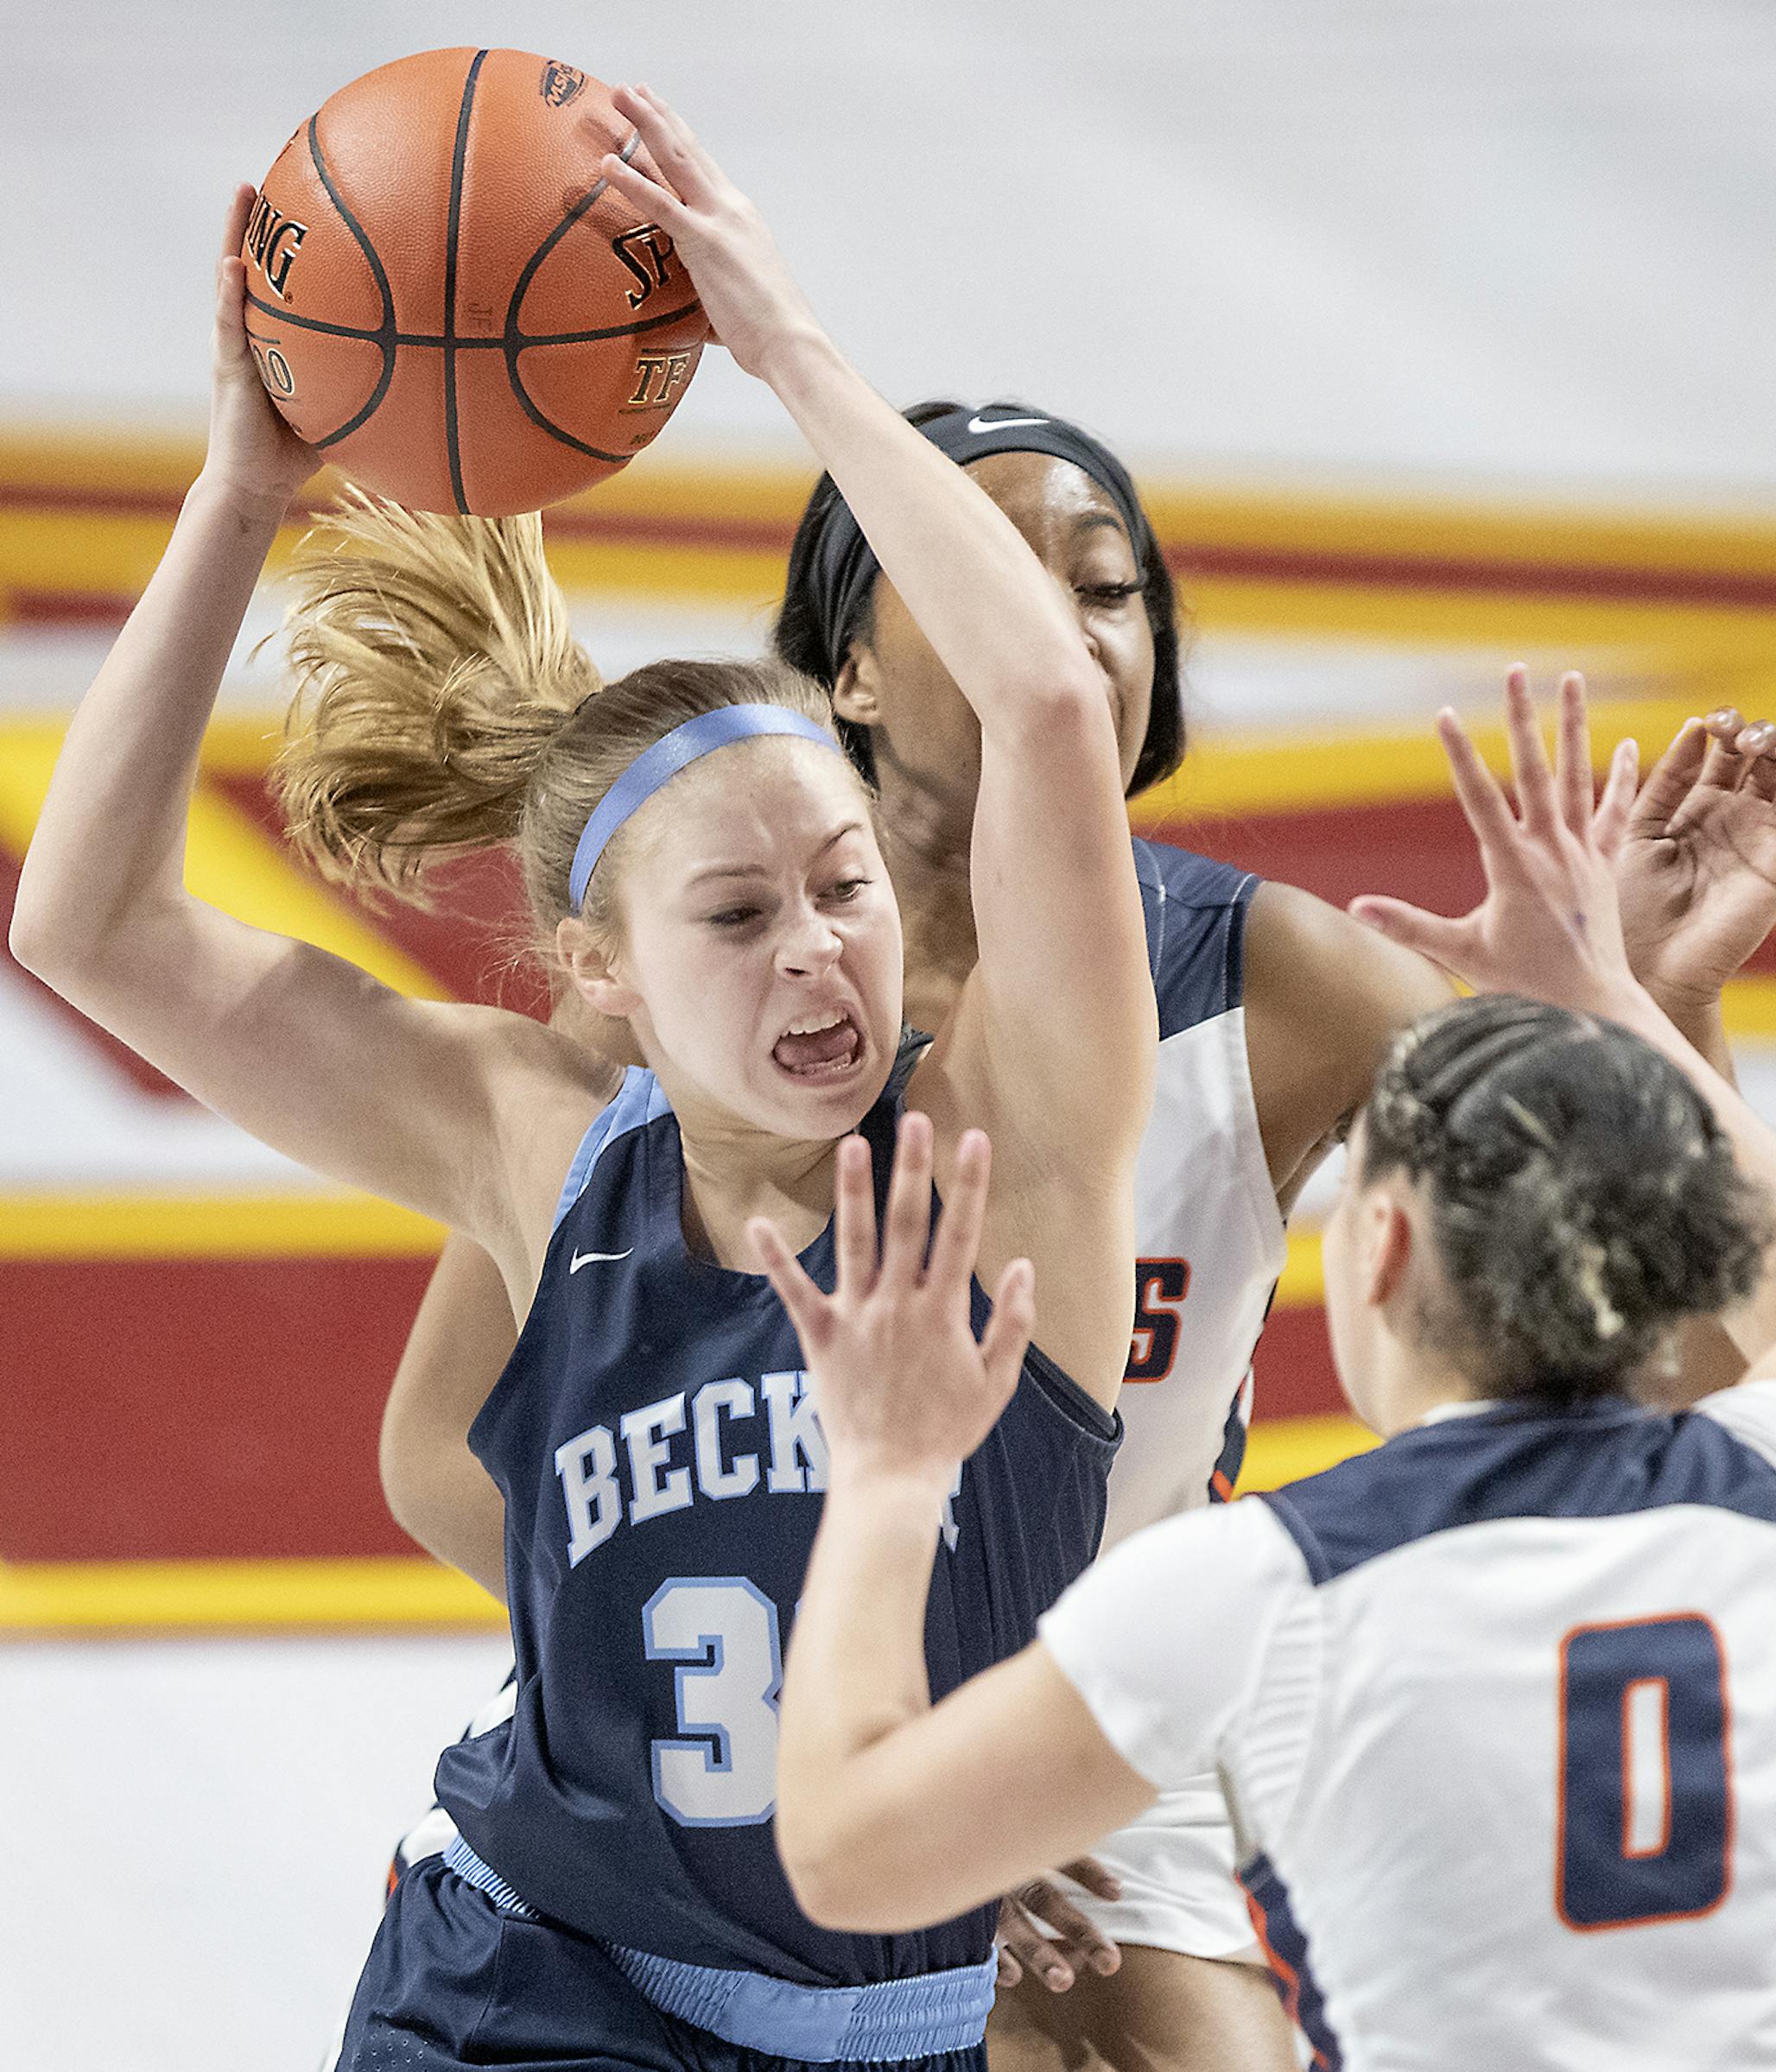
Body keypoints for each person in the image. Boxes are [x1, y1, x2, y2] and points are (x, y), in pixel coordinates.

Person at [365, 409, 1776, 2066]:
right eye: (994, 576)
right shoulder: (715, 1012)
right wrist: (757, 1691)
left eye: (1110, 586)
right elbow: (441, 1454)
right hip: (766, 1740)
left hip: (1133, 1675)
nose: (1063, 631)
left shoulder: (1274, 978)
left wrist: (1650, 1012)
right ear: (848, 668)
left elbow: (1674, 1326)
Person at [10, 86, 1157, 2072]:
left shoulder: (1019, 1158)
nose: (817, 950)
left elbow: (1050, 701)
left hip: (896, 2029)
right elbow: (92, 927)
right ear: (601, 976)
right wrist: (241, 497)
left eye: (846, 887)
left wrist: (787, 342)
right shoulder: (541, 1143)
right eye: (736, 919)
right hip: (532, 1994)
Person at [765, 671, 1776, 2070]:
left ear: (1383, 1243)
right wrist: (1619, 1003)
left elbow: (850, 1856)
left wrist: (888, 1474)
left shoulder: (1260, 1588)